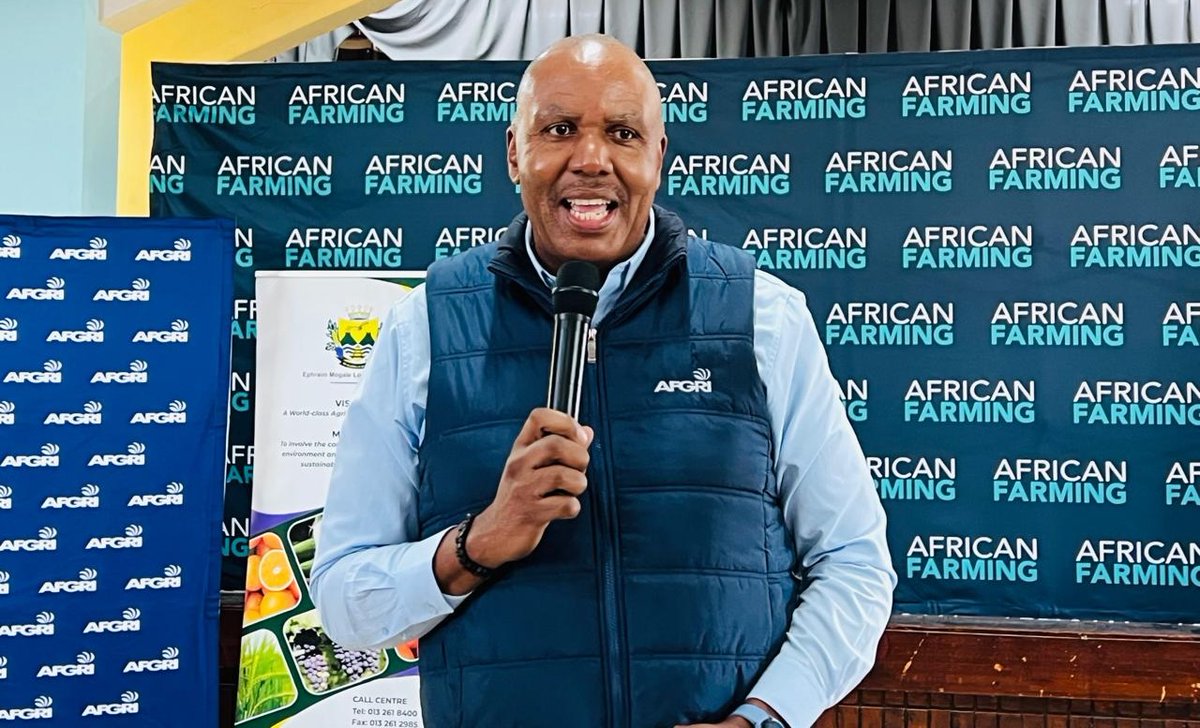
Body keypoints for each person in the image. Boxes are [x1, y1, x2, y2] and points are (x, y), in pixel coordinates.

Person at [311, 33, 895, 728]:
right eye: (559, 129)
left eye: (622, 133)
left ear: (658, 157)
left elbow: (854, 565)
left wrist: (765, 717)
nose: (590, 160)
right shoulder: (425, 328)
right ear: (514, 153)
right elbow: (344, 599)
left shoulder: (763, 316)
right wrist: (481, 542)